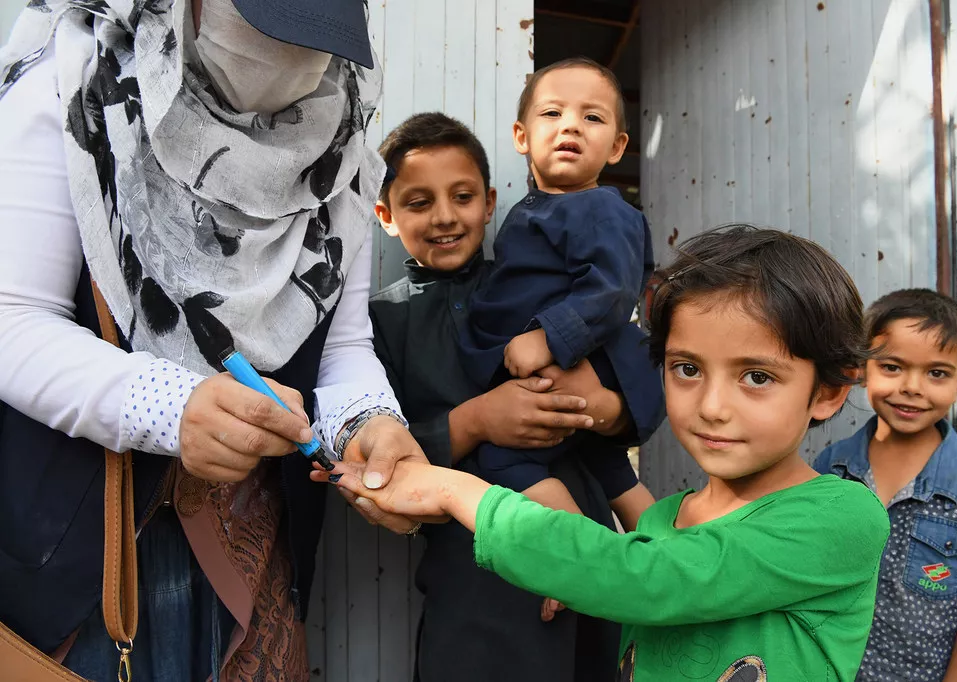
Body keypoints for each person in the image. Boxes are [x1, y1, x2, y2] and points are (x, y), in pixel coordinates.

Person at [0, 1, 429, 679]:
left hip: (250, 563)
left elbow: (341, 346)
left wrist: (369, 423)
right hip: (89, 566)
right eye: (263, 17)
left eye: (313, 33)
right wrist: (169, 405)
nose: (284, 52)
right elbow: (13, 319)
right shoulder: (81, 84)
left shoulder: (337, 141)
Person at [319, 224, 893, 682]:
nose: (713, 406)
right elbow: (626, 585)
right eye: (687, 369)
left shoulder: (840, 515)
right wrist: (571, 576)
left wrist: (453, 487)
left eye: (757, 377)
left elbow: (645, 578)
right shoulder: (667, 518)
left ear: (828, 392)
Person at [364, 111, 664, 681]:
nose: (446, 217)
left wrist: (600, 407)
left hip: (588, 549)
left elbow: (630, 366)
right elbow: (381, 453)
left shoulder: (539, 292)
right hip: (471, 573)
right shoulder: (379, 324)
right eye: (419, 202)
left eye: (462, 196)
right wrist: (476, 422)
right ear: (386, 215)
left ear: (490, 202)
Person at [457, 57, 657, 517]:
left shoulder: (602, 209)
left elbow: (611, 291)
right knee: (605, 463)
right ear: (522, 137)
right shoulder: (532, 209)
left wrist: (549, 338)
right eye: (553, 113)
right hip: (551, 359)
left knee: (503, 457)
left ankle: (576, 552)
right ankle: (662, 544)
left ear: (616, 147)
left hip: (579, 357)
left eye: (592, 117)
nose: (571, 126)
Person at [813, 289, 957, 682]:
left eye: (937, 373)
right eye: (892, 367)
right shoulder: (832, 467)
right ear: (862, 368)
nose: (912, 386)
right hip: (830, 670)